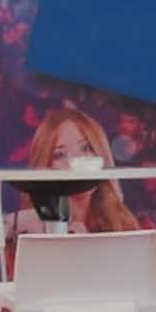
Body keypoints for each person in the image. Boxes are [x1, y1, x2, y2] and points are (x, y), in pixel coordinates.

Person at [21, 98, 136, 232]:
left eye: (85, 148)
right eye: (60, 154)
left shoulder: (125, 225)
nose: (76, 161)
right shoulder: (28, 228)